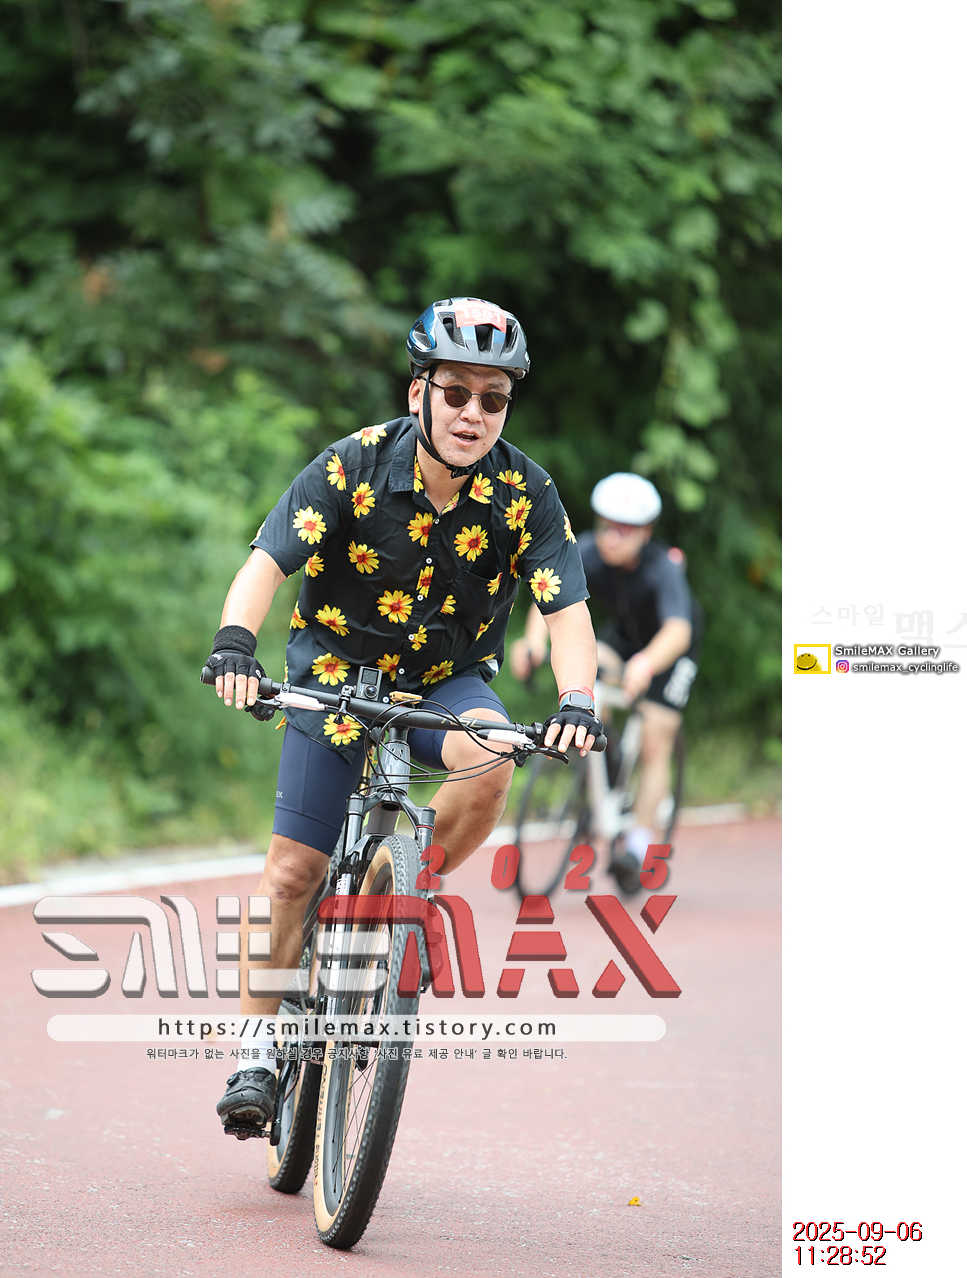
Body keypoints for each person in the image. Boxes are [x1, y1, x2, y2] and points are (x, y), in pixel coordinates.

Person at [204, 297, 604, 1135]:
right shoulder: (351, 464)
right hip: (336, 676)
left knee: (493, 760)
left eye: (492, 399)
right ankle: (257, 1047)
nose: (472, 414)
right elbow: (267, 564)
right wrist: (236, 645)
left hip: (446, 681)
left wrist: (577, 700)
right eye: (455, 393)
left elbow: (567, 611)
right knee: (293, 872)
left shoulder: (526, 493)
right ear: (418, 390)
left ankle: (402, 885)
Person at [509, 471, 702, 895]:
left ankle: (638, 844)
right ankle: (607, 763)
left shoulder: (662, 568)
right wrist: (534, 644)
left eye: (625, 530)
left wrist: (646, 666)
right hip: (624, 640)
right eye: (606, 526)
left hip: (669, 649)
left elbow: (678, 631)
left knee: (655, 739)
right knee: (591, 675)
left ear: (645, 532)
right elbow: (551, 599)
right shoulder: (589, 552)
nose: (612, 537)